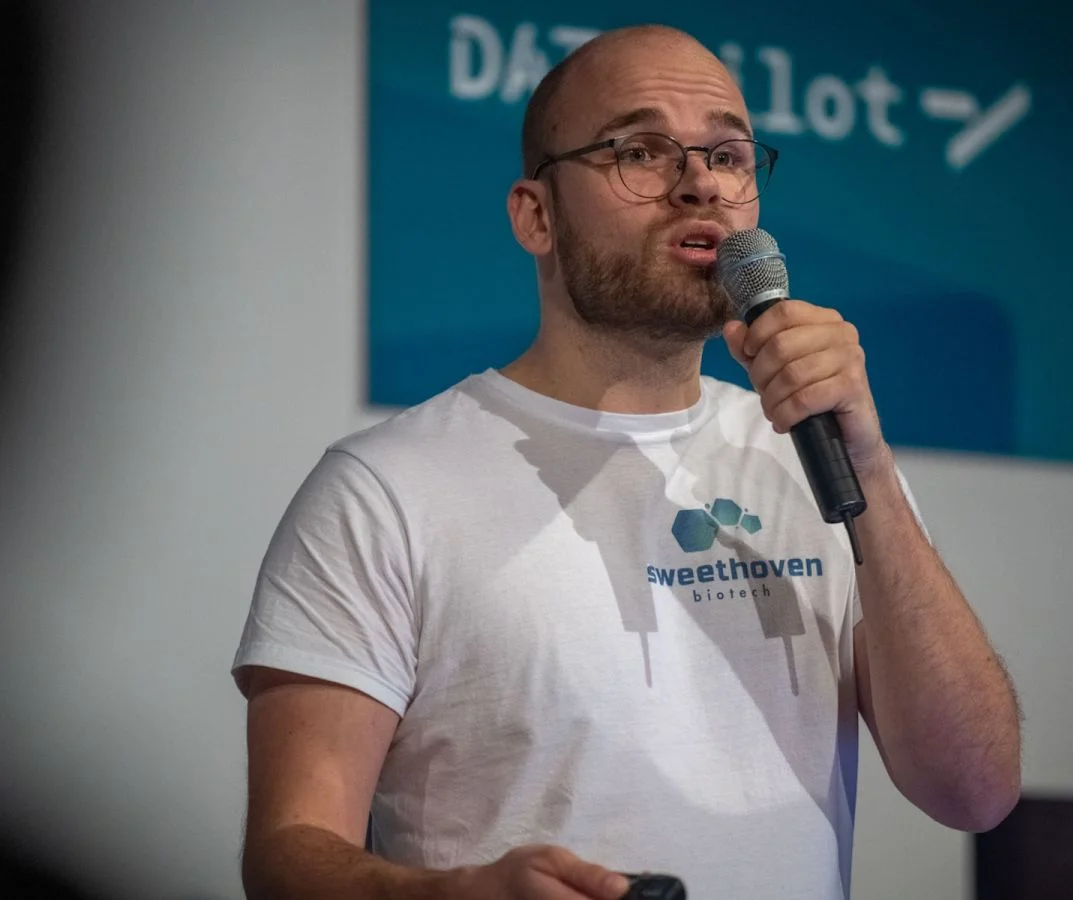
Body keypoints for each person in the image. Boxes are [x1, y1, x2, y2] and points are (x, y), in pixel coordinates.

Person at [231, 23, 1022, 900]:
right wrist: (458, 896)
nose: (700, 184)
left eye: (728, 155)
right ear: (537, 215)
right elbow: (290, 854)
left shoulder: (818, 455)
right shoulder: (386, 490)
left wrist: (868, 466)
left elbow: (975, 791)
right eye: (641, 151)